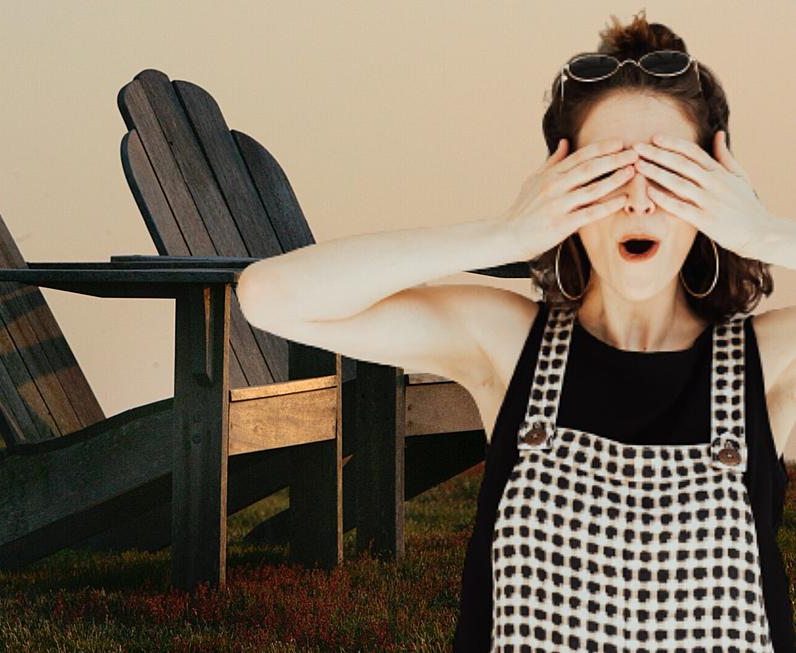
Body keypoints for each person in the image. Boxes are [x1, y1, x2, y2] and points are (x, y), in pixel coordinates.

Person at [235, 10, 796, 652]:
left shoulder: (772, 360)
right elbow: (269, 295)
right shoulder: (505, 343)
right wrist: (505, 233)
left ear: (715, 195)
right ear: (560, 188)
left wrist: (762, 232)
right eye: (605, 174)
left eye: (670, 175)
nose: (639, 200)